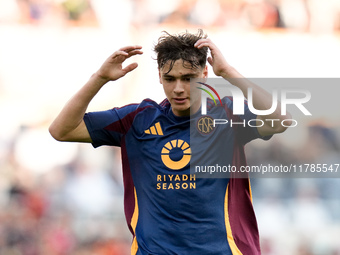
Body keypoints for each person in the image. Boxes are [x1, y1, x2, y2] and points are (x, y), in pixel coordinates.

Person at [49, 30, 290, 255]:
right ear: (159, 77)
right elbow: (61, 130)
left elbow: (281, 120)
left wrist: (228, 72)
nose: (178, 88)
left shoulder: (227, 115)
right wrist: (99, 78)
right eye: (170, 78)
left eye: (188, 78)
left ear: (205, 74)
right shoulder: (136, 120)